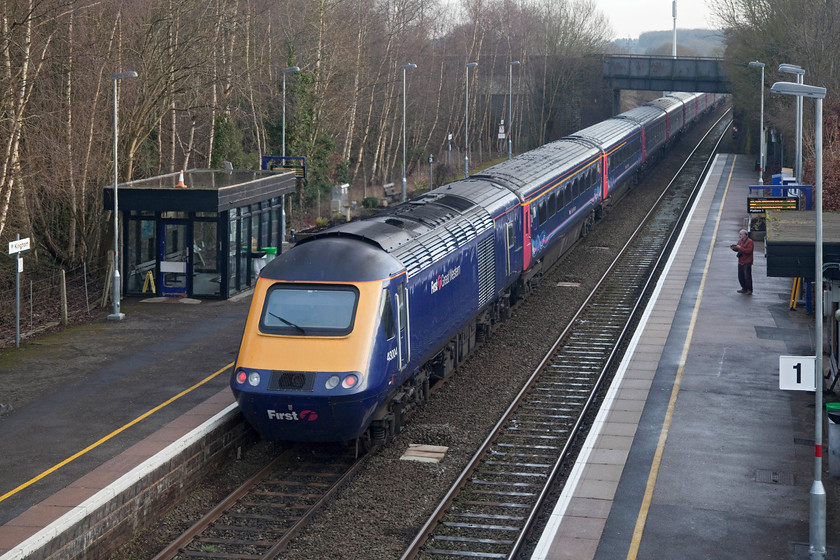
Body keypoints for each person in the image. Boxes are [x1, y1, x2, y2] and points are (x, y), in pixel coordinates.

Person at [730, 229, 754, 294]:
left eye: (741, 234)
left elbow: (749, 251)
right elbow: (738, 249)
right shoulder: (740, 241)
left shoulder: (750, 242)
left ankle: (749, 289)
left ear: (745, 235)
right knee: (740, 276)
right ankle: (744, 288)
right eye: (739, 234)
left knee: (747, 276)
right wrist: (734, 248)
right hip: (741, 261)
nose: (739, 235)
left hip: (747, 261)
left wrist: (740, 248)